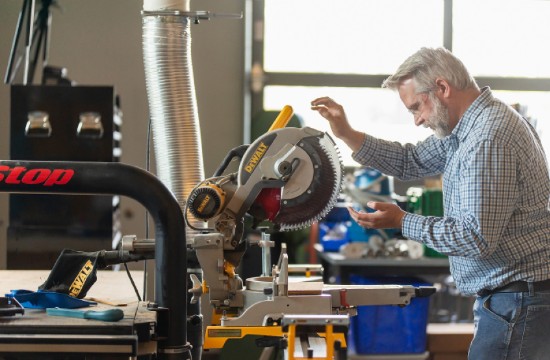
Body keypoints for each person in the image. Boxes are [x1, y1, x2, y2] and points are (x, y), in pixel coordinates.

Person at [311, 47, 550, 360]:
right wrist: (347, 133)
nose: (417, 120)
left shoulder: (489, 137)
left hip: (517, 301)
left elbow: (474, 237)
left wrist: (401, 221)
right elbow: (410, 160)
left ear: (442, 88)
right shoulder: (466, 130)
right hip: (511, 299)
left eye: (416, 108)